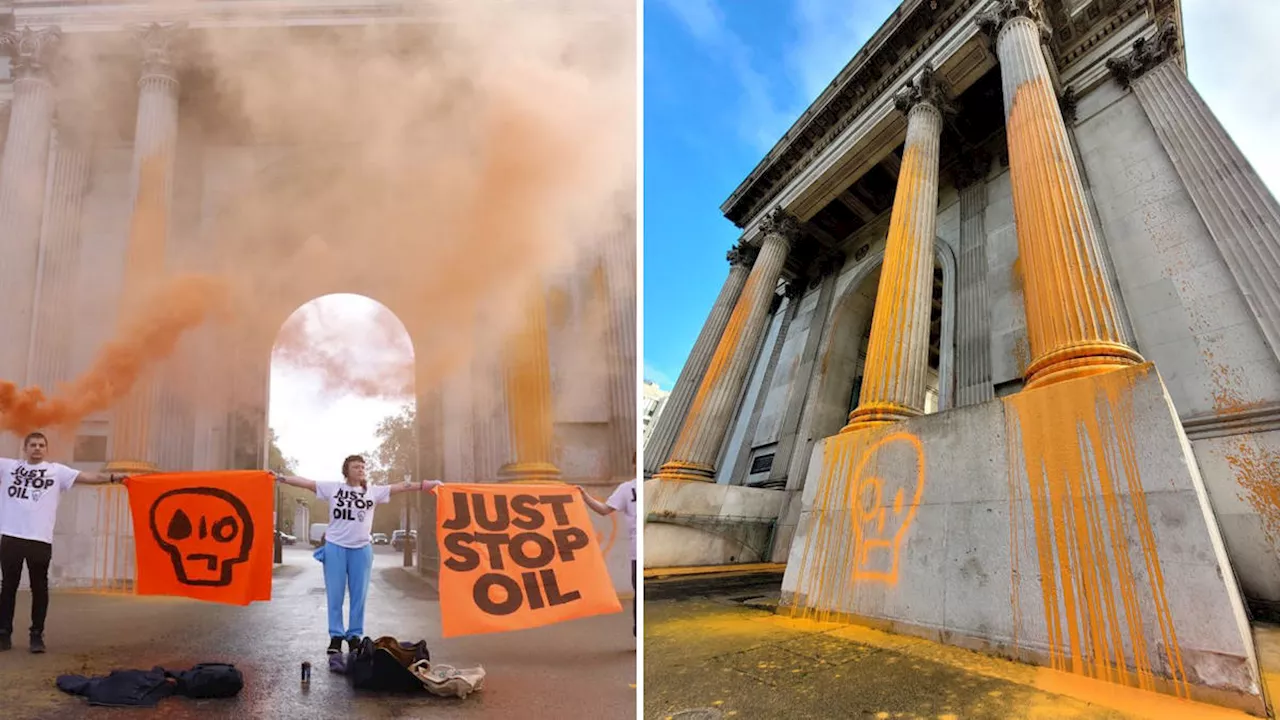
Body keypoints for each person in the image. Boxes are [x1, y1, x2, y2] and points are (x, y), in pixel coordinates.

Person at [275, 455, 441, 654]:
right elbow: (306, 483)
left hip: (361, 549)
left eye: (363, 467)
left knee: (358, 595)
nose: (361, 469)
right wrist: (281, 477)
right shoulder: (333, 488)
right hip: (335, 546)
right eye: (356, 467)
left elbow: (400, 486)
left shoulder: (373, 491)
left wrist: (425, 485)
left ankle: (354, 635)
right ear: (347, 470)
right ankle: (336, 636)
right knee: (335, 594)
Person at [0, 432, 126, 653]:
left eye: (41, 445)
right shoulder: (8, 466)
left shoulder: (57, 471)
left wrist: (114, 477)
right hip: (11, 536)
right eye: (33, 445)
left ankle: (36, 635)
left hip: (40, 538)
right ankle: (3, 634)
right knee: (8, 587)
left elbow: (88, 477)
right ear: (25, 448)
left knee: (39, 588)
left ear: (46, 449)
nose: (37, 448)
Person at [576, 451, 637, 636]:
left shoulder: (638, 488)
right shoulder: (626, 489)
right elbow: (604, 510)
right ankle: (639, 634)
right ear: (634, 464)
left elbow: (604, 511)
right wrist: (584, 496)